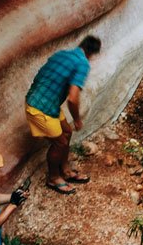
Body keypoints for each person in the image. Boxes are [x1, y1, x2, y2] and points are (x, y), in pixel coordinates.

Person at [24, 35, 101, 193]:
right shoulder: (82, 64)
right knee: (59, 142)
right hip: (40, 108)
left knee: (67, 132)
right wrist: (77, 119)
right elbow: (72, 99)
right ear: (92, 54)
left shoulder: (61, 54)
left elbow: (40, 75)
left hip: (45, 102)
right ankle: (53, 178)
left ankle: (65, 170)